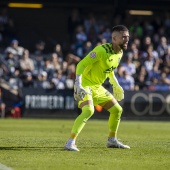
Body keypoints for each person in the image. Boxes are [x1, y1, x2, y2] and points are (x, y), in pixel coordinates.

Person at [64, 25, 130, 151]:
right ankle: (70, 142)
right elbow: (81, 64)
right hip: (85, 84)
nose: (127, 40)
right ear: (114, 39)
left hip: (97, 87)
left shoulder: (120, 52)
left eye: (128, 37)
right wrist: (78, 83)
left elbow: (109, 70)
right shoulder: (101, 51)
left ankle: (112, 140)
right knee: (89, 111)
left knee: (117, 110)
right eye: (124, 37)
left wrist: (115, 83)